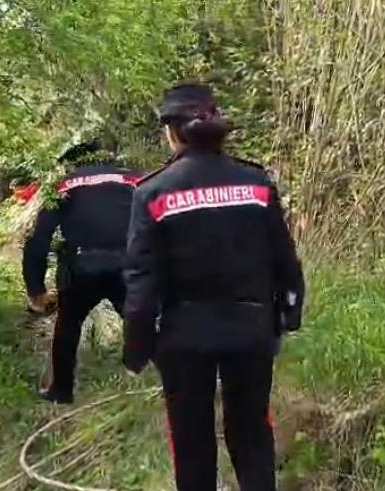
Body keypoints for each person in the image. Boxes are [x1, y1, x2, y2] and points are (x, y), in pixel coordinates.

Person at [121, 82, 305, 491]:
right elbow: (285, 257)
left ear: (171, 132)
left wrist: (136, 347)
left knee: (191, 441)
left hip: (184, 339)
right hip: (251, 331)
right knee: (252, 433)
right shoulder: (256, 183)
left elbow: (141, 283)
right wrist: (289, 313)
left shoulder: (153, 192)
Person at [23, 138, 140, 404]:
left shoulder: (64, 185)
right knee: (140, 320)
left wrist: (36, 290)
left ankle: (61, 391)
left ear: (73, 162)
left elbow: (38, 239)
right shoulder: (136, 179)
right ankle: (167, 379)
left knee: (67, 325)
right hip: (129, 265)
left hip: (81, 267)